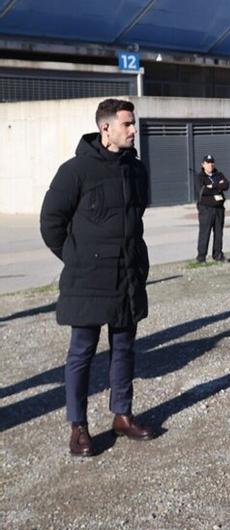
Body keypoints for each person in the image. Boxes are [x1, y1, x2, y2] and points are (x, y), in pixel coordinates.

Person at [39, 98, 155, 456]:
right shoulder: (75, 171)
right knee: (82, 353)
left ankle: (122, 415)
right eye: (127, 124)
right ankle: (79, 427)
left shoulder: (136, 170)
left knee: (124, 348)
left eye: (133, 123)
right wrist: (77, 258)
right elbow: (51, 223)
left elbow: (138, 214)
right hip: (88, 277)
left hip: (127, 274)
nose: (134, 130)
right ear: (106, 128)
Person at [195, 154, 229, 263]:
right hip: (206, 209)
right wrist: (217, 187)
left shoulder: (219, 175)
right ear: (203, 165)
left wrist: (212, 186)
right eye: (208, 163)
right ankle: (201, 257)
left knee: (219, 232)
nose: (210, 165)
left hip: (219, 208)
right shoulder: (200, 177)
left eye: (212, 163)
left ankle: (218, 254)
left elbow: (226, 185)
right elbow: (202, 191)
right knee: (205, 233)